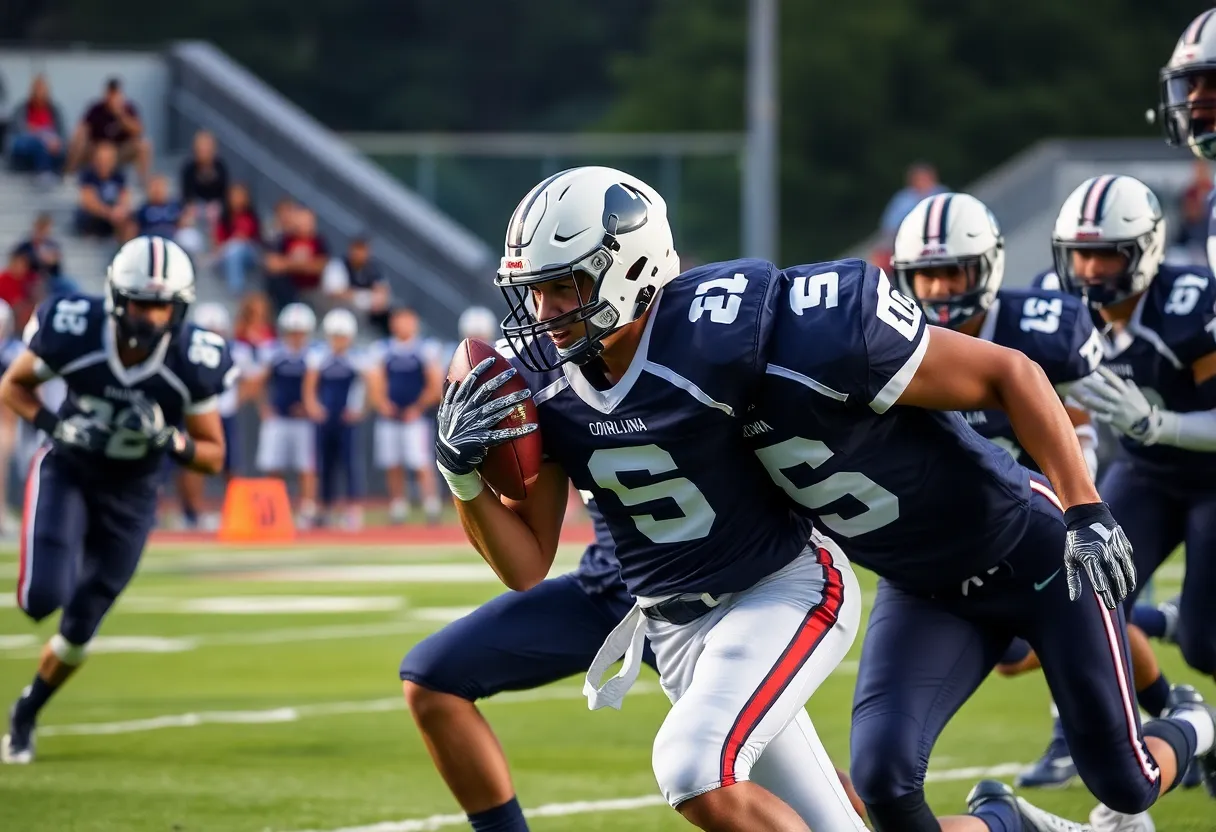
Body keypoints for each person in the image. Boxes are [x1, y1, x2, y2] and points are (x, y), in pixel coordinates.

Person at [429, 166, 1041, 831]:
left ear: (630, 268)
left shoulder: (710, 337)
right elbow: (524, 565)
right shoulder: (548, 384)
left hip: (780, 589)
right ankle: (1009, 825)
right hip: (673, 626)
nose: (543, 314)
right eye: (533, 291)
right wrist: (463, 478)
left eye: (560, 287)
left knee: (692, 767)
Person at [734, 210, 1215, 829]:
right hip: (923, 587)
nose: (938, 291)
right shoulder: (708, 409)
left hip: (1031, 551)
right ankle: (1009, 822)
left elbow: (1021, 375)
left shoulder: (852, 346)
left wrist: (1084, 505)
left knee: (1126, 785)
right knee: (882, 778)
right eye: (924, 276)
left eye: (951, 272)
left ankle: (1193, 719)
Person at [0, 235, 232, 764]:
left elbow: (214, 455)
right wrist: (59, 426)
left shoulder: (192, 359)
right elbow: (12, 387)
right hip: (70, 471)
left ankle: (27, 711)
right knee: (42, 598)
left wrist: (169, 441)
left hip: (133, 493)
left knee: (80, 628)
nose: (152, 317)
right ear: (115, 298)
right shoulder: (74, 329)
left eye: (162, 305)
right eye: (141, 303)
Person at [1054, 175, 1216, 818]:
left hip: (1212, 479)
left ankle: (1183, 632)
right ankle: (1168, 733)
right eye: (1081, 255)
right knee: (1085, 596)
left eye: (1108, 255)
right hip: (1145, 474)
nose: (1091, 271)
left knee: (1208, 643)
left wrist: (1160, 424)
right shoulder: (1061, 311)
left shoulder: (1190, 303)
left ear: (1145, 251)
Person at [172, 303, 254, 528]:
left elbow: (251, 379)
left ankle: (235, 514)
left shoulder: (236, 351)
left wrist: (237, 400)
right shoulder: (184, 349)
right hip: (195, 412)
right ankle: (193, 512)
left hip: (224, 413)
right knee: (192, 461)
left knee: (230, 464)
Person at [365, 307, 443, 524]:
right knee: (393, 462)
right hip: (389, 417)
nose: (403, 325)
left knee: (420, 462)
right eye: (399, 320)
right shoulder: (382, 349)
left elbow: (435, 386)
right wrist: (382, 404)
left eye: (407, 320)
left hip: (415, 417)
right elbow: (374, 381)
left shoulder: (426, 349)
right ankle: (398, 504)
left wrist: (417, 407)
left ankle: (431, 503)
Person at [251, 303, 318, 528]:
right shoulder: (274, 352)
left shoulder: (314, 354)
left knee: (306, 467)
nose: (296, 336)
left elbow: (318, 386)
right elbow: (259, 382)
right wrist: (264, 407)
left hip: (303, 420)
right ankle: (274, 510)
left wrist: (311, 407)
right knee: (273, 465)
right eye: (293, 331)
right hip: (278, 418)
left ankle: (307, 510)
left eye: (300, 331)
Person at [302, 308, 369, 530]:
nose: (338, 340)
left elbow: (370, 385)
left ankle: (352, 510)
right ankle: (325, 508)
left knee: (349, 464)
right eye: (334, 335)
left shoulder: (357, 357)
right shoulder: (319, 356)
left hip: (345, 419)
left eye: (342, 336)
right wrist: (313, 408)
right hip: (325, 418)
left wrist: (360, 409)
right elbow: (310, 386)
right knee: (324, 464)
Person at [7, 75, 65, 181]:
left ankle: (45, 173)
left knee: (52, 146)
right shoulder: (21, 109)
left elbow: (61, 134)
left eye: (43, 89)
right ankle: (44, 173)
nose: (40, 93)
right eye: (37, 89)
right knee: (39, 144)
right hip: (25, 144)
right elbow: (19, 132)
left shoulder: (54, 110)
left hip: (49, 145)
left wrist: (54, 141)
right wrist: (41, 136)